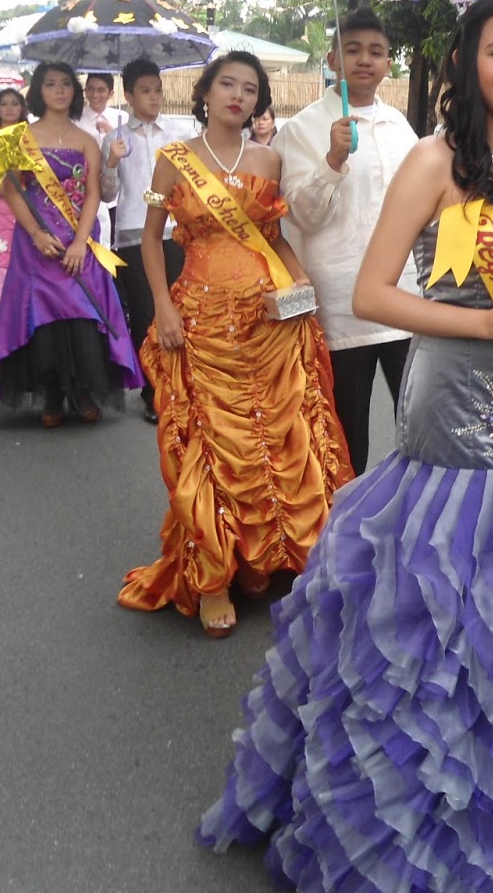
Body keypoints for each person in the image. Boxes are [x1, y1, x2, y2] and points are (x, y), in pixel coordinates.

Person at [196, 0, 493, 891]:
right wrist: (488, 327)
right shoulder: (433, 159)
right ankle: (418, 807)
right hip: (451, 410)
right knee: (443, 607)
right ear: (465, 61)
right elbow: (372, 295)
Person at [119, 50, 353, 635]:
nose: (239, 96)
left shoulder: (269, 159)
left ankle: (278, 554)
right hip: (199, 318)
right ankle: (213, 575)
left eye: (250, 89)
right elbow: (151, 241)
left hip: (267, 320)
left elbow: (274, 237)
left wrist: (299, 283)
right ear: (204, 91)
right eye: (228, 84)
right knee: (209, 441)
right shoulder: (173, 160)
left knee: (282, 435)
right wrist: (163, 308)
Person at [273, 5, 419, 470]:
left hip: (406, 299)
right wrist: (332, 161)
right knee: (346, 431)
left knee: (420, 421)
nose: (364, 60)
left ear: (388, 61)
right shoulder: (301, 130)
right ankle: (350, 528)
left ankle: (418, 522)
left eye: (376, 51)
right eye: (352, 50)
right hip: (341, 306)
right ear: (333, 58)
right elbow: (302, 217)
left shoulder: (401, 127)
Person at [0, 62, 141, 426]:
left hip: (79, 241)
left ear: (75, 91)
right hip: (35, 243)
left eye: (65, 84)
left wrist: (80, 241)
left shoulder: (87, 140)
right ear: (38, 91)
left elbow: (93, 195)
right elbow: (10, 190)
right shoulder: (19, 139)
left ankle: (84, 390)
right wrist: (37, 234)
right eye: (51, 84)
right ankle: (51, 396)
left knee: (83, 312)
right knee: (42, 316)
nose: (59, 90)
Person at [97, 58, 187, 424]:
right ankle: (153, 391)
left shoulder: (176, 136)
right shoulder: (115, 139)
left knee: (181, 307)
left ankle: (181, 385)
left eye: (158, 90)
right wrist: (112, 163)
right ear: (129, 95)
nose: (154, 98)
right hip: (134, 234)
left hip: (176, 233)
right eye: (145, 91)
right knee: (147, 313)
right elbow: (107, 195)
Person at [78, 71, 125, 254]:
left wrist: (111, 131)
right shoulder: (76, 119)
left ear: (111, 93)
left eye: (101, 90)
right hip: (86, 192)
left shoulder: (122, 119)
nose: (95, 95)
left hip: (116, 195)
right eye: (90, 89)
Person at [0, 89, 28, 300]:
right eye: (4, 104)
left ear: (22, 107)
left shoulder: (32, 136)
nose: (10, 108)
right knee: (0, 255)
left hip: (27, 201)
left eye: (15, 103)